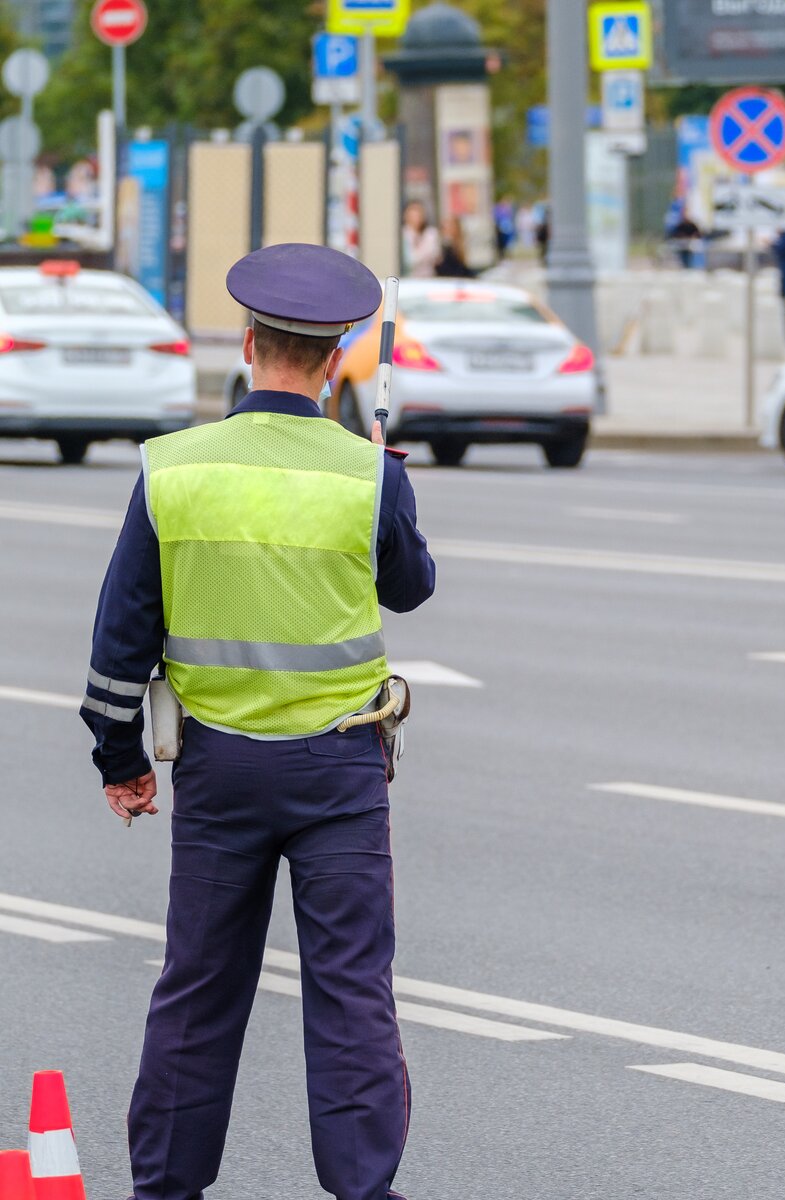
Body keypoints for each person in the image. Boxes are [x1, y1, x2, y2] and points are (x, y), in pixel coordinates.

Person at [81, 242, 436, 1200]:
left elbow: (120, 641)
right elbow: (413, 589)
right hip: (340, 778)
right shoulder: (368, 477)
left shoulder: (173, 470)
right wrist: (389, 491)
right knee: (353, 994)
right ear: (332, 361)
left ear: (247, 346)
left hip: (219, 778)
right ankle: (364, 1190)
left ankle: (163, 1189)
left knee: (197, 993)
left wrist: (121, 758)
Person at [402, 201, 441, 278]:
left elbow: (436, 256)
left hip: (428, 277)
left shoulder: (431, 233)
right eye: (413, 213)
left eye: (419, 213)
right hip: (408, 279)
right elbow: (410, 260)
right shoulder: (403, 234)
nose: (416, 216)